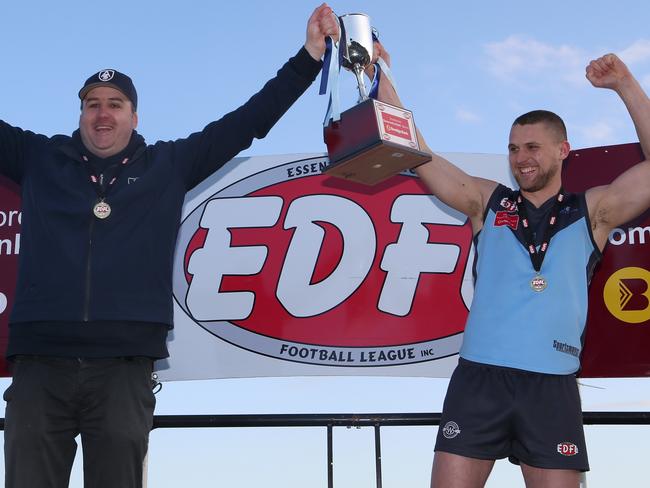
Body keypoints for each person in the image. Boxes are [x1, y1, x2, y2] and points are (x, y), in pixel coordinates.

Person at [0, 4, 338, 488]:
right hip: (39, 366)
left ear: (134, 116)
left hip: (123, 370)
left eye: (115, 104)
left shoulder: (170, 165)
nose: (102, 113)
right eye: (92, 103)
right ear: (79, 114)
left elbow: (250, 120)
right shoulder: (37, 158)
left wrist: (308, 57)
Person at [372, 43, 650, 488]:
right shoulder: (486, 200)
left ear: (564, 150)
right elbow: (417, 152)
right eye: (514, 148)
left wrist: (624, 85)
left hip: (552, 386)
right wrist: (378, 72)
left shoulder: (592, 211)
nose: (522, 158)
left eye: (534, 147)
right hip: (479, 381)